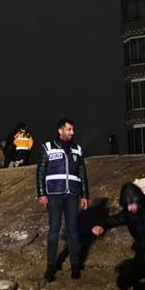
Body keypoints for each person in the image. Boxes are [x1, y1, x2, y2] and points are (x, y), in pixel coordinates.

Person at [36, 118, 89, 281]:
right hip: (54, 194)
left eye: (72, 129)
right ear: (60, 130)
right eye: (69, 129)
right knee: (54, 230)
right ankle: (51, 266)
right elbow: (41, 172)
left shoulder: (77, 149)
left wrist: (85, 195)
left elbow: (82, 172)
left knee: (73, 230)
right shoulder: (48, 147)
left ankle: (75, 265)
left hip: (72, 194)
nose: (72, 132)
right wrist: (41, 193)